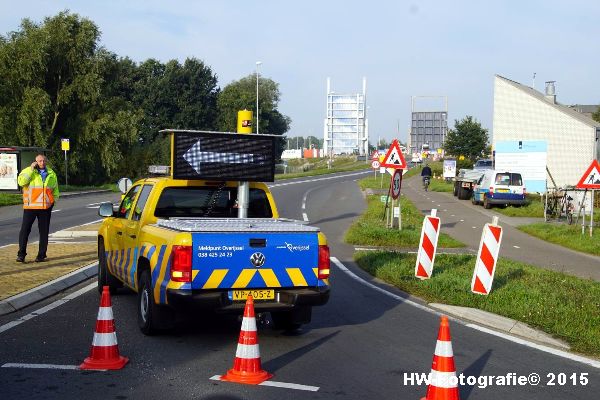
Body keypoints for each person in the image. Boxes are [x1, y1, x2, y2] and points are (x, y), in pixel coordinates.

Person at [16, 154, 60, 263]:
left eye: (44, 161)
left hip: (45, 208)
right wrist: (31, 169)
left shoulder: (51, 173)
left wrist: (53, 202)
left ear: (46, 161)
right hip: (30, 207)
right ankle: (21, 254)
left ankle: (41, 255)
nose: (42, 163)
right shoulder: (28, 170)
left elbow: (55, 190)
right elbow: (21, 182)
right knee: (25, 230)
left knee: (44, 232)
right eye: (39, 161)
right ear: (35, 161)